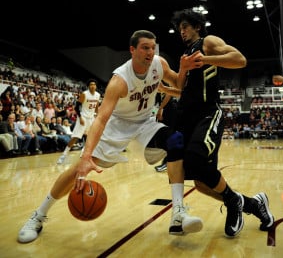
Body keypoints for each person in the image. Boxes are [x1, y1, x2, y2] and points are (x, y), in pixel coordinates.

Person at [18, 30, 203, 243]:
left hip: (144, 124)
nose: (150, 52)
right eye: (145, 47)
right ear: (132, 50)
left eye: (153, 47)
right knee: (76, 171)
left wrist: (184, 70)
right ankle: (38, 216)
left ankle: (178, 214)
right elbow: (101, 119)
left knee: (175, 141)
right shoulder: (120, 80)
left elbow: (180, 86)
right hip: (116, 128)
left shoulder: (159, 64)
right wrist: (86, 156)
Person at [170, 9, 274, 238]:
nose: (182, 31)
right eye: (180, 29)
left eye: (185, 27)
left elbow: (240, 60)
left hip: (208, 113)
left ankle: (235, 202)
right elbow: (179, 88)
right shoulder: (186, 54)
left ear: (197, 26)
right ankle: (251, 204)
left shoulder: (207, 42)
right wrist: (183, 69)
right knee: (201, 182)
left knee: (196, 160)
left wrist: (204, 59)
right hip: (187, 117)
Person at [56, 79, 101, 164]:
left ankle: (85, 154)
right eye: (91, 84)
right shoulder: (84, 94)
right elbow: (77, 108)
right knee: (75, 138)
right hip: (83, 118)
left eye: (94, 85)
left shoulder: (98, 95)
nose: (93, 86)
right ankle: (64, 155)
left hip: (91, 118)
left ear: (96, 86)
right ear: (88, 86)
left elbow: (96, 107)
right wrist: (80, 118)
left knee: (91, 137)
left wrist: (97, 115)